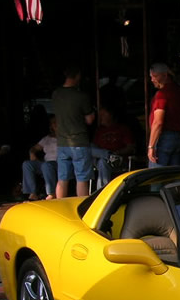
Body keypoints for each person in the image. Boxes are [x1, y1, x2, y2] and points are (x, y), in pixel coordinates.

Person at [52, 65, 95, 198]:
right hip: (79, 142)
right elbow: (90, 120)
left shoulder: (56, 94)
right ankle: (81, 208)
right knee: (82, 179)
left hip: (62, 142)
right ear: (78, 76)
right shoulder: (81, 96)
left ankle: (60, 208)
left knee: (62, 179)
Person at [147, 62, 180, 167]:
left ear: (165, 75)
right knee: (173, 177)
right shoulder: (178, 91)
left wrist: (151, 146)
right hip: (177, 137)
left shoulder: (162, 94)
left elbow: (158, 122)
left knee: (156, 178)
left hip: (164, 138)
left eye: (155, 76)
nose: (152, 79)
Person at [91, 106, 135, 189]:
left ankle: (102, 191)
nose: (100, 117)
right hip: (101, 159)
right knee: (86, 148)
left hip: (118, 160)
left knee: (102, 162)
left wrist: (117, 153)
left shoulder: (122, 128)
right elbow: (95, 148)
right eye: (99, 115)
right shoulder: (99, 130)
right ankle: (108, 155)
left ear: (111, 115)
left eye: (103, 115)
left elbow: (130, 147)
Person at [22, 115, 58, 200]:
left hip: (59, 163)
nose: (55, 124)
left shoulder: (64, 138)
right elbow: (34, 148)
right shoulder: (47, 139)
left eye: (57, 122)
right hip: (46, 163)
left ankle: (51, 193)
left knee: (46, 165)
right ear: (51, 126)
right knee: (27, 164)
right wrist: (32, 153)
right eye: (53, 123)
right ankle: (32, 193)